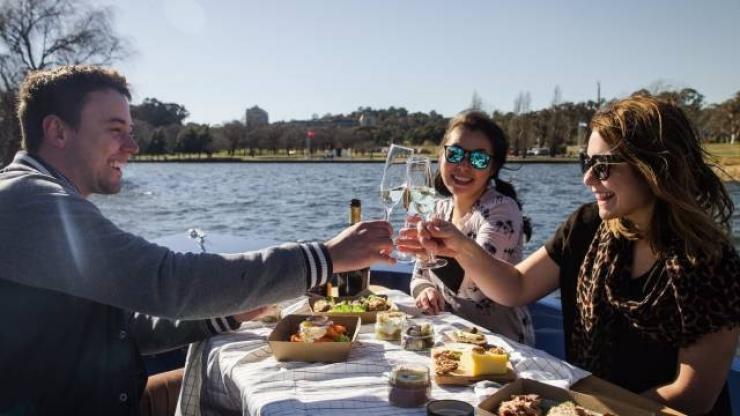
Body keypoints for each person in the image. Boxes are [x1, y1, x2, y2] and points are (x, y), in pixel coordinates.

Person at [0, 65, 394, 415]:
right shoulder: (28, 202)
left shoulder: (48, 200)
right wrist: (326, 257)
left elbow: (123, 328)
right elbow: (167, 282)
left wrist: (227, 313)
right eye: (115, 131)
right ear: (56, 131)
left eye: (131, 132)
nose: (133, 147)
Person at [403, 96, 739, 415]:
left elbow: (694, 395)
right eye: (587, 162)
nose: (588, 178)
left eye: (603, 166)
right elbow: (516, 287)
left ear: (653, 167)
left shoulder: (709, 261)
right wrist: (460, 247)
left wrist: (593, 412)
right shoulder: (587, 225)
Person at [409, 111, 534, 345]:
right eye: (455, 154)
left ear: (493, 167)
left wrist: (445, 246)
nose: (463, 166)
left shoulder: (502, 210)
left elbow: (476, 290)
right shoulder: (438, 210)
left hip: (500, 346)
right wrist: (424, 291)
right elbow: (419, 273)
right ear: (441, 155)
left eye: (478, 159)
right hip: (450, 338)